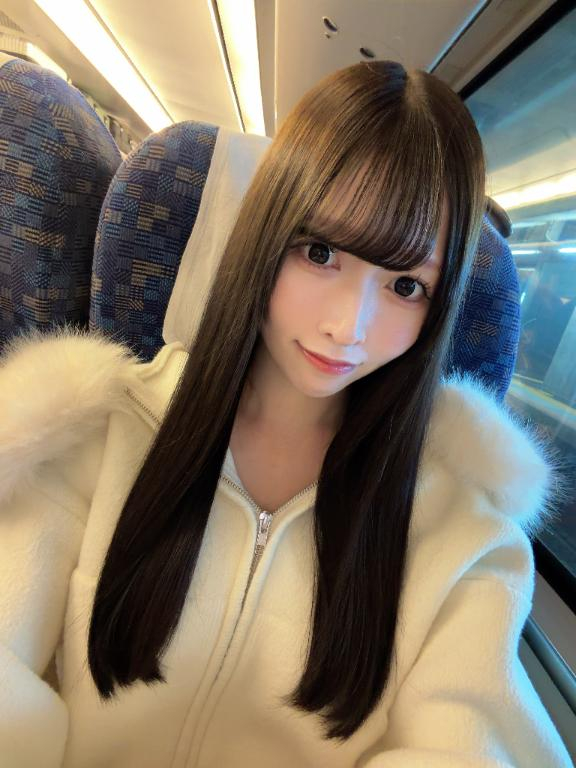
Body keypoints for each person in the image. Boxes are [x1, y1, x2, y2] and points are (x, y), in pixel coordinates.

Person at [0, 60, 572, 768]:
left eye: (405, 286)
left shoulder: (462, 533)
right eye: (320, 252)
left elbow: (469, 744)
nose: (347, 328)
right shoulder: (90, 432)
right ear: (264, 236)